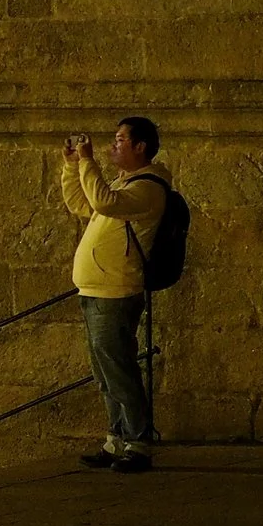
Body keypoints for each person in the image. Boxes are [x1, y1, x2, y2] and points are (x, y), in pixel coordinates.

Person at [60, 117, 173, 473]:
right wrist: (73, 165)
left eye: (120, 140)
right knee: (104, 371)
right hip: (95, 288)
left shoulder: (149, 188)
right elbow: (83, 204)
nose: (113, 145)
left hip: (116, 290)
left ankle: (138, 443)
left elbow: (103, 203)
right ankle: (116, 439)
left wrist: (89, 161)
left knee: (119, 368)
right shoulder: (123, 185)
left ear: (141, 146)